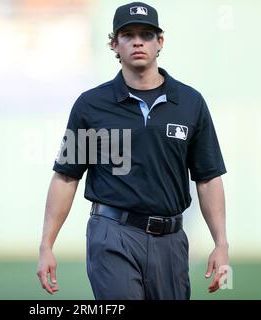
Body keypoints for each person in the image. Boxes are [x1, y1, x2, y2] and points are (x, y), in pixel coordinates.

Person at [37, 1, 229, 300]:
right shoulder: (92, 105)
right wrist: (47, 245)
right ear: (114, 43)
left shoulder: (190, 103)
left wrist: (221, 243)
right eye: (128, 34)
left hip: (171, 239)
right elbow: (67, 177)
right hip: (112, 234)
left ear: (159, 42)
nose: (138, 41)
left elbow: (207, 178)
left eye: (147, 34)